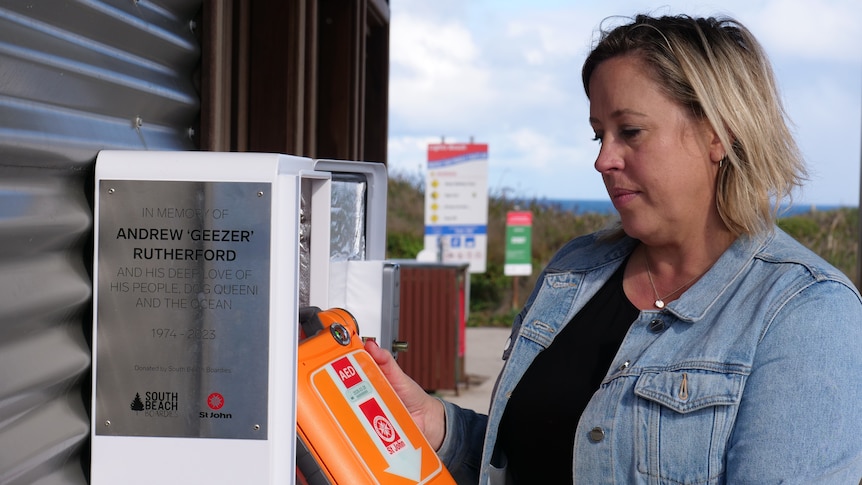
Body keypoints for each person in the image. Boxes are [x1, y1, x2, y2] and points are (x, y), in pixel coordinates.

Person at [366, 13, 862, 484]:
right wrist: (437, 424)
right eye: (599, 134)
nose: (603, 159)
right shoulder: (575, 272)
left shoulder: (806, 313)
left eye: (631, 132)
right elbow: (530, 455)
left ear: (720, 132)